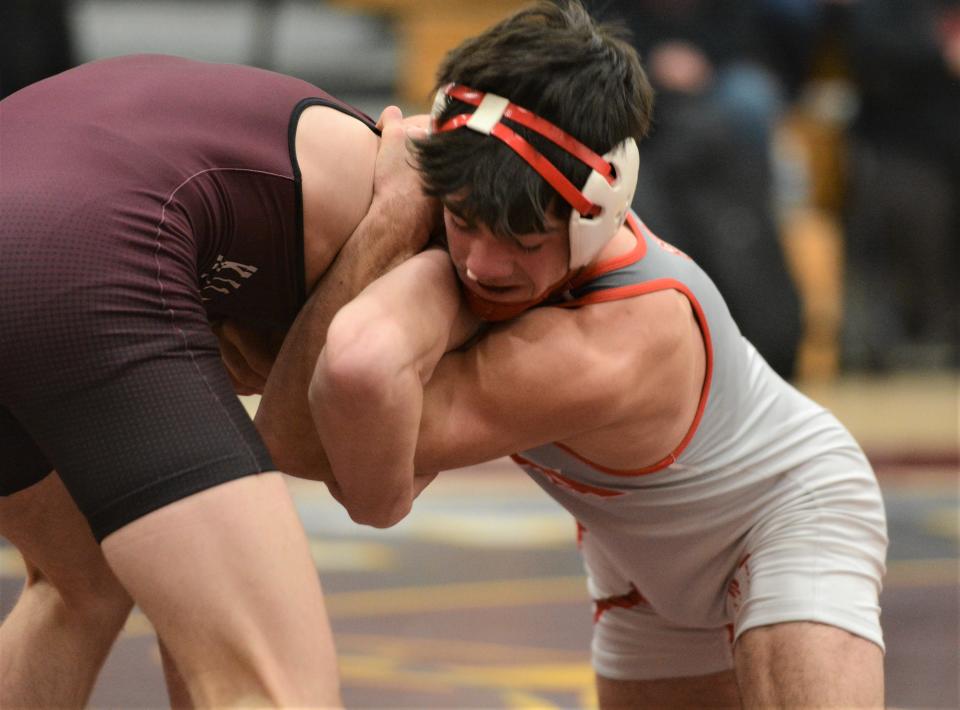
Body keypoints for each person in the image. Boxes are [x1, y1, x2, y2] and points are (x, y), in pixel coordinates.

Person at [259, 2, 888, 707]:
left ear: (601, 210)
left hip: (783, 515)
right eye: (462, 222)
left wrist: (391, 221)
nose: (482, 266)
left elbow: (310, 443)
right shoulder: (497, 207)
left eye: (526, 242)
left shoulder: (611, 343)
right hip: (639, 563)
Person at [0, 54, 434, 708]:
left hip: (61, 202)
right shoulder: (424, 231)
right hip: (78, 239)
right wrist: (387, 227)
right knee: (275, 685)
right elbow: (319, 460)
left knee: (77, 582)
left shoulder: (284, 190)